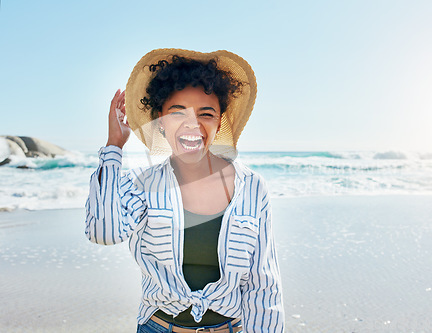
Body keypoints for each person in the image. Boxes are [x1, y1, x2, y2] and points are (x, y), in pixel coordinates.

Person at [85, 49, 284, 333]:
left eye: (206, 113)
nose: (192, 124)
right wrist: (114, 146)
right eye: (177, 113)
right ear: (161, 121)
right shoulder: (142, 182)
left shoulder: (252, 187)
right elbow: (103, 232)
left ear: (220, 122)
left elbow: (263, 285)